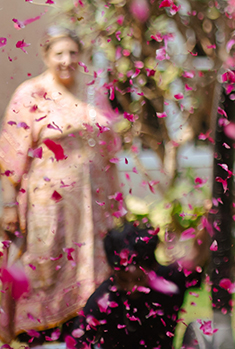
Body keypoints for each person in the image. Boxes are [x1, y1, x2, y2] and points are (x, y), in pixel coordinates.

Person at [0, 27, 123, 344]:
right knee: (46, 264)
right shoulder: (31, 94)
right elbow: (12, 153)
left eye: (72, 53)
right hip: (49, 203)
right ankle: (39, 334)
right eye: (59, 54)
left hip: (92, 205)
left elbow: (108, 151)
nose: (66, 60)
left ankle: (82, 332)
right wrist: (9, 204)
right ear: (46, 56)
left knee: (91, 265)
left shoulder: (90, 93)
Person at [66, 222, 204, 349]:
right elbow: (78, 342)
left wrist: (214, 212)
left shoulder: (170, 281)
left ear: (152, 269)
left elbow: (198, 255)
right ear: (113, 272)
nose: (131, 288)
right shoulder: (104, 299)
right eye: (123, 280)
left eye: (138, 279)